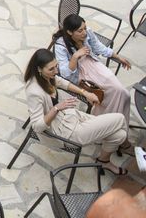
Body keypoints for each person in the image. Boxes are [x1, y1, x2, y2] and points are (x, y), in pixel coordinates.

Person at [23, 48, 128, 176]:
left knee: (120, 135)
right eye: (51, 69)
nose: (56, 71)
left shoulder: (47, 76)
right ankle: (130, 148)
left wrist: (86, 93)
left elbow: (63, 83)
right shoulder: (34, 91)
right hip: (64, 132)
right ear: (39, 69)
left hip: (71, 117)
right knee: (120, 118)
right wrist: (56, 108)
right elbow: (37, 126)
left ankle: (103, 161)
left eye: (56, 66)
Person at [53, 13, 133, 151]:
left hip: (94, 65)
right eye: (80, 30)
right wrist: (75, 57)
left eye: (85, 28)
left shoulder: (88, 34)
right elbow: (65, 73)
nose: (84, 32)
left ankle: (114, 128)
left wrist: (118, 56)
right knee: (112, 94)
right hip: (80, 75)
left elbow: (99, 48)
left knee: (124, 94)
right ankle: (116, 133)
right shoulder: (61, 46)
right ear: (70, 32)